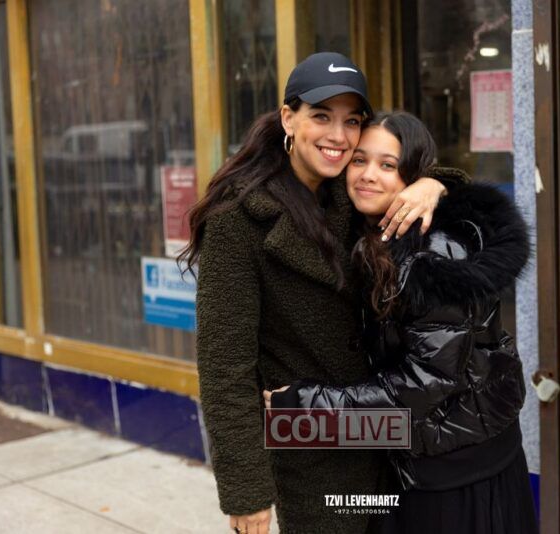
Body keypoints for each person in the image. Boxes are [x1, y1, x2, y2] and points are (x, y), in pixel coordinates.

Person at [180, 53, 458, 534]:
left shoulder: (352, 191)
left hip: (383, 438)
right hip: (309, 449)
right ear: (289, 118)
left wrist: (434, 184)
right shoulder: (237, 220)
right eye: (322, 116)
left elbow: (421, 173)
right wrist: (247, 493)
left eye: (351, 121)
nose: (338, 136)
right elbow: (225, 368)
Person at [265, 112, 537, 534]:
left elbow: (424, 384)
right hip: (415, 456)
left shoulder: (434, 253)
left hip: (458, 473)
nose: (368, 175)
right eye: (359, 160)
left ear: (412, 176)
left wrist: (306, 408)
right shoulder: (373, 234)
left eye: (388, 165)